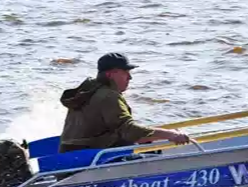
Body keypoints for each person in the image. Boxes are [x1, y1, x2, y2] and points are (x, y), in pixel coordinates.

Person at [58, 52, 191, 153]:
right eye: (125, 72)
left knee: (148, 144)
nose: (130, 77)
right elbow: (128, 130)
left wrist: (156, 135)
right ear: (110, 75)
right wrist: (170, 134)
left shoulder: (89, 92)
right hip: (91, 159)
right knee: (150, 148)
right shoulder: (108, 96)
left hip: (73, 155)